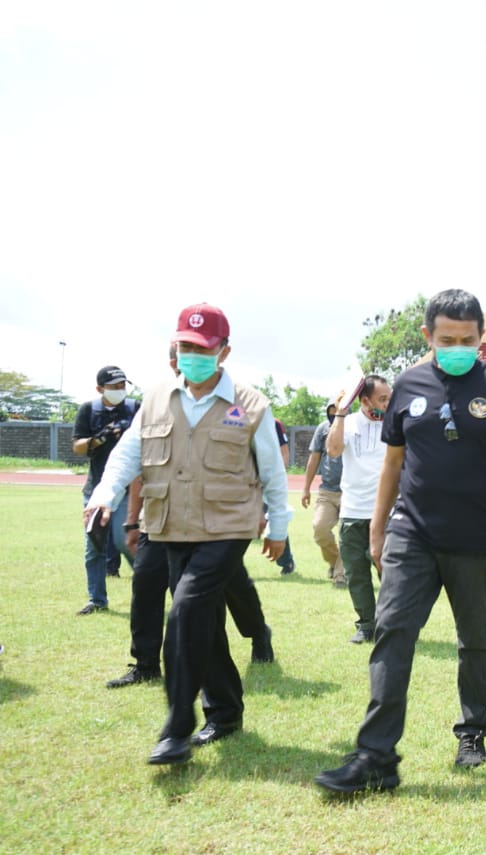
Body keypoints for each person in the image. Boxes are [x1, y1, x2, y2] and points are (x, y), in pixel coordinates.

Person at [315, 289, 486, 793]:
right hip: (411, 534)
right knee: (392, 633)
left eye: (468, 339)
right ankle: (376, 755)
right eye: (447, 339)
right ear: (427, 337)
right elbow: (393, 462)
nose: (458, 347)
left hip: (479, 542)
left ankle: (472, 732)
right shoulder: (408, 385)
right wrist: (379, 526)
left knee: (475, 641)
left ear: (482, 337)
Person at [86, 303, 291, 764]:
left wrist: (277, 527)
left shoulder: (249, 403)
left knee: (184, 613)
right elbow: (127, 455)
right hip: (171, 525)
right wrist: (105, 494)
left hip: (227, 525)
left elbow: (273, 473)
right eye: (184, 346)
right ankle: (226, 711)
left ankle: (177, 727)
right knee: (202, 619)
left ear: (223, 351)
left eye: (201, 347)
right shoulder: (157, 398)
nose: (191, 354)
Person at [105, 345, 276, 689]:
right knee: (147, 582)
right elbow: (142, 469)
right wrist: (133, 520)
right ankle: (146, 663)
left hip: (216, 521)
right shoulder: (158, 404)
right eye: (179, 356)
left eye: (196, 353)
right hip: (162, 518)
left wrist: (261, 511)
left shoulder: (234, 404)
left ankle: (257, 632)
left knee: (231, 585)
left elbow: (260, 465)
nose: (183, 363)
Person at [326, 376, 391, 643]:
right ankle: (366, 625)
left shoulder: (396, 422)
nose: (389, 403)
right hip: (352, 511)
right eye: (383, 399)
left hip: (386, 513)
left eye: (390, 397)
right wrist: (340, 414)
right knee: (356, 573)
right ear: (365, 401)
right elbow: (333, 450)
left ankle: (393, 624)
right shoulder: (349, 423)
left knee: (390, 571)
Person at [72, 365, 139, 614]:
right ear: (100, 389)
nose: (120, 390)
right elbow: (77, 446)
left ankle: (147, 591)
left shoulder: (134, 408)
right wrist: (98, 439)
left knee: (126, 542)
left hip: (127, 489)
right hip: (96, 488)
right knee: (94, 546)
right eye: (114, 387)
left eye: (123, 385)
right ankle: (97, 599)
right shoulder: (89, 410)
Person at [302, 400, 346, 587]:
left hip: (350, 492)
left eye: (339, 411)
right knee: (320, 530)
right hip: (327, 491)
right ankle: (334, 561)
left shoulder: (352, 427)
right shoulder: (322, 429)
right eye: (332, 411)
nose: (335, 415)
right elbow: (314, 458)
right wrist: (305, 488)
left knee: (347, 536)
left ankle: (340, 576)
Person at [271, 418, 296, 575]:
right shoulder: (232, 418)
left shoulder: (273, 423)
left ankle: (286, 561)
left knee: (274, 520)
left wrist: (277, 477)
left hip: (268, 480)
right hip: (242, 481)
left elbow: (284, 452)